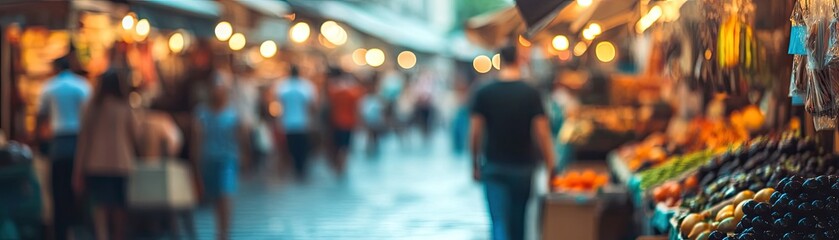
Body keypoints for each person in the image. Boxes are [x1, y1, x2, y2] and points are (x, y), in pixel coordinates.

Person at [469, 45, 556, 240]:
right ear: (519, 60)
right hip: (524, 167)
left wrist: (474, 163)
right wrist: (551, 163)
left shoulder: (484, 91)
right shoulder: (530, 92)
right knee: (519, 223)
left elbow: (475, 132)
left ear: (498, 60)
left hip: (494, 166)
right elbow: (542, 132)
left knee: (499, 222)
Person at [73, 67, 135, 240]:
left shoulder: (92, 108)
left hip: (95, 163)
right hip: (120, 163)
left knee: (99, 204)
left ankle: (102, 235)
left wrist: (78, 170)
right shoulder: (125, 106)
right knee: (119, 205)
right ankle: (117, 235)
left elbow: (83, 140)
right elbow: (135, 133)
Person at [36, 49, 91, 240]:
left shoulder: (49, 87)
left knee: (58, 191)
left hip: (58, 143)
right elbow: (89, 116)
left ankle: (61, 232)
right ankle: (79, 230)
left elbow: (40, 116)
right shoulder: (82, 86)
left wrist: (41, 142)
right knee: (78, 190)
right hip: (78, 142)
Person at [192, 72, 250, 240]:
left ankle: (223, 234)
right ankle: (221, 230)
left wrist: (246, 156)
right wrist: (196, 166)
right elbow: (197, 139)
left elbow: (241, 136)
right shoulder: (201, 112)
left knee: (225, 194)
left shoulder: (233, 112)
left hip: (228, 160)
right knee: (215, 197)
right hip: (208, 160)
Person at [276, 65, 317, 179]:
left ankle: (297, 167)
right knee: (302, 148)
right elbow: (312, 105)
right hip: (303, 123)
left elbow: (278, 104)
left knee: (292, 147)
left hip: (288, 123)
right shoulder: (306, 86)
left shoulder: (283, 86)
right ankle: (301, 168)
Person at [326, 68, 364, 176]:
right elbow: (357, 107)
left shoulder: (333, 89)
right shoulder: (353, 90)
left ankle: (338, 165)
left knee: (337, 145)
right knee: (345, 146)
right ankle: (343, 165)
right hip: (348, 122)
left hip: (335, 121)